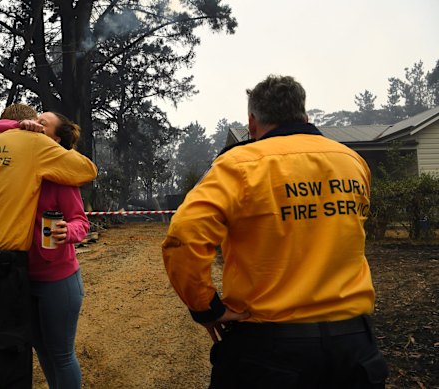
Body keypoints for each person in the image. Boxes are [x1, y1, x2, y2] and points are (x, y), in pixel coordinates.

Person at [162, 75, 388, 388]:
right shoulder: (352, 162)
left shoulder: (238, 165)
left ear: (252, 122)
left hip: (268, 349)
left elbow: (184, 234)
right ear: (305, 116)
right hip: (354, 346)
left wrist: (207, 307)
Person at [0, 104, 98, 389]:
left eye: (43, 123)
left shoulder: (62, 182)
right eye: (35, 120)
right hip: (21, 277)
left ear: (55, 141)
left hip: (57, 278)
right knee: (38, 350)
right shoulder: (13, 169)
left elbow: (81, 221)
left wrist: (70, 231)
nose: (35, 124)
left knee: (61, 355)